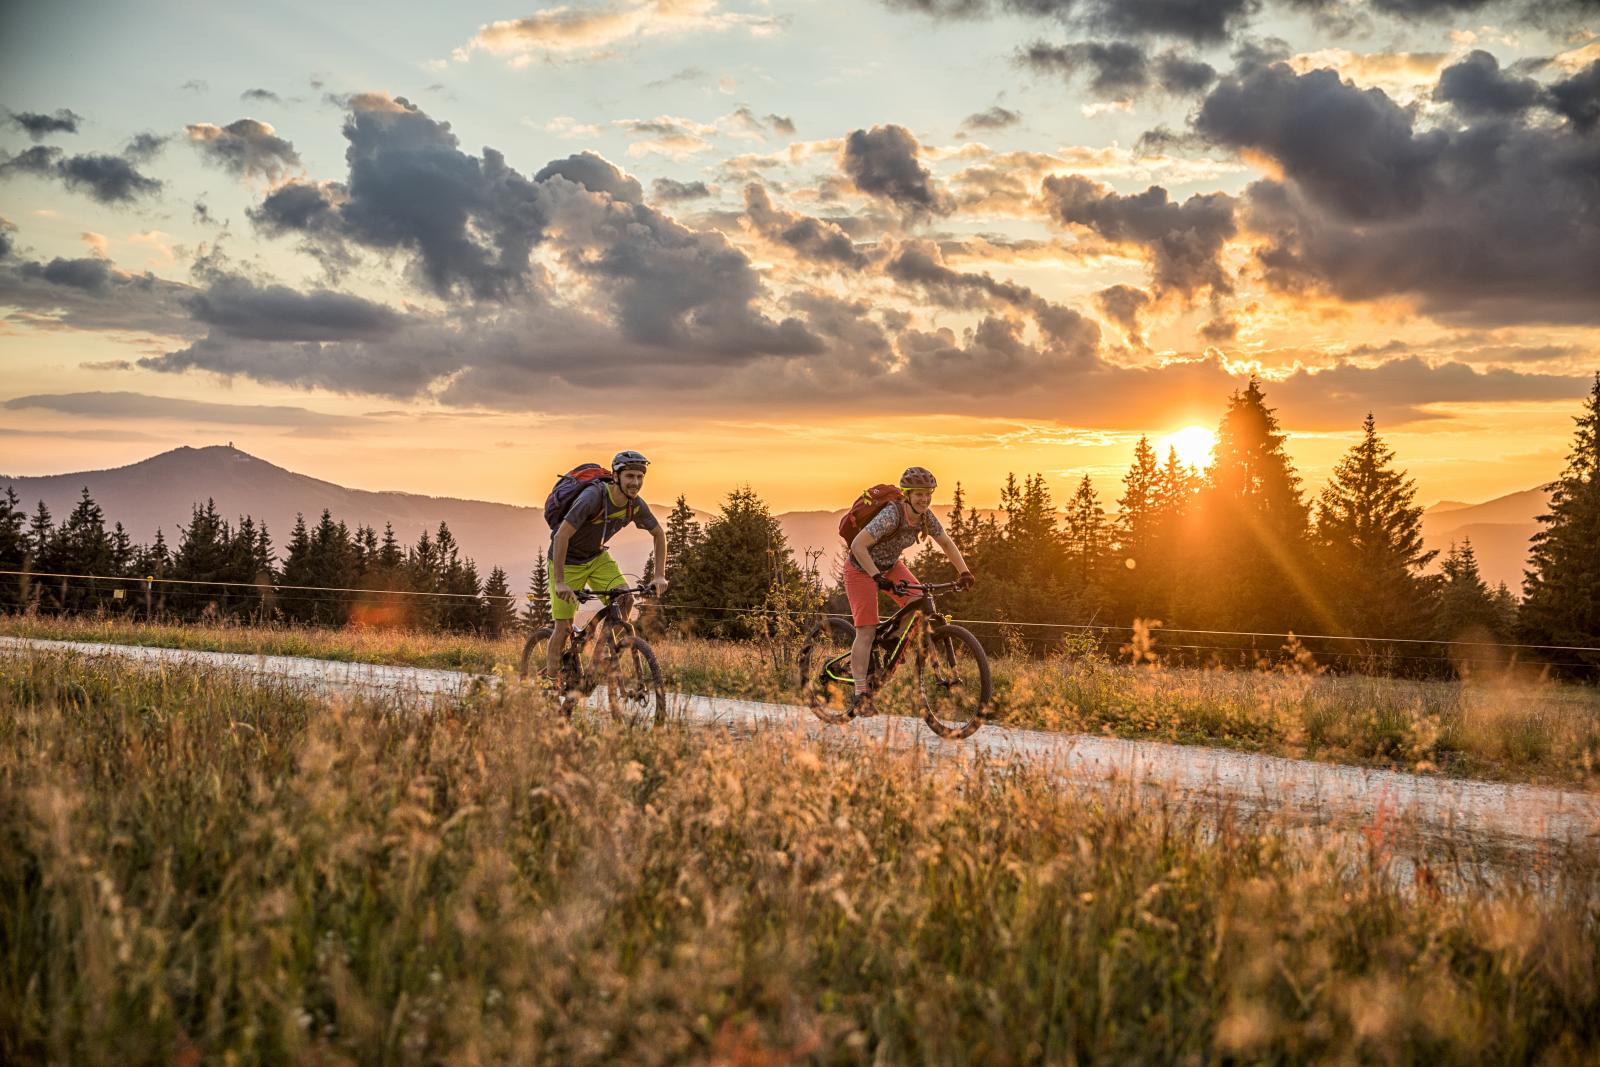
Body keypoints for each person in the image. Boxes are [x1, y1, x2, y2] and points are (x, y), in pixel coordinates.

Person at [844, 466, 974, 715]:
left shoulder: (925, 516)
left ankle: (892, 640)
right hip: (861, 568)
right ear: (907, 494)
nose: (924, 499)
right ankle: (860, 694)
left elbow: (946, 542)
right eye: (919, 494)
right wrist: (876, 576)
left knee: (918, 600)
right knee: (867, 631)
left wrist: (964, 572)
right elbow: (858, 546)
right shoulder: (891, 515)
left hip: (890, 566)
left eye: (928, 494)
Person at [545, 450, 669, 682]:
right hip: (566, 561)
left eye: (640, 477)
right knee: (563, 628)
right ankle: (551, 682)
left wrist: (659, 575)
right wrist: (560, 581)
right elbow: (561, 536)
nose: (635, 483)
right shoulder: (593, 498)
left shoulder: (634, 504)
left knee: (625, 599)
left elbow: (658, 534)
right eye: (630, 476)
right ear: (616, 476)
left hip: (597, 558)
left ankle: (604, 652)